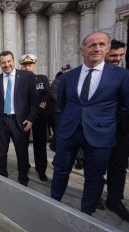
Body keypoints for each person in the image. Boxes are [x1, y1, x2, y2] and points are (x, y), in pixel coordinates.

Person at [51, 31, 129, 215]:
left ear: (107, 48)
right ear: (82, 50)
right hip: (69, 133)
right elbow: (62, 103)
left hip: (100, 135)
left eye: (101, 44)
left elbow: (124, 107)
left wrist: (104, 123)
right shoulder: (68, 77)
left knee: (94, 177)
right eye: (92, 45)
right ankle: (54, 203)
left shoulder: (121, 75)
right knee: (60, 170)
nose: (97, 48)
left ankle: (86, 214)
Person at [0, 51, 37, 186]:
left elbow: (34, 102)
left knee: (22, 153)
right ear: (0, 64)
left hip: (20, 122)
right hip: (2, 122)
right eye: (3, 62)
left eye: (9, 61)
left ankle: (23, 179)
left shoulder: (27, 76)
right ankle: (3, 175)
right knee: (1, 153)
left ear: (13, 60)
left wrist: (31, 119)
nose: (6, 64)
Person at [104, 39, 129, 221]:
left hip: (121, 130)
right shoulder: (92, 75)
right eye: (113, 55)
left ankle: (114, 199)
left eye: (121, 55)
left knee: (118, 167)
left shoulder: (125, 74)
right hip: (97, 129)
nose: (117, 59)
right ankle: (93, 195)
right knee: (94, 166)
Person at [19, 54, 50, 182]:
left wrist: (36, 112)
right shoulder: (18, 81)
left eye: (29, 65)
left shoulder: (42, 79)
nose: (27, 67)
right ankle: (25, 166)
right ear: (21, 66)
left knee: (40, 145)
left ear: (34, 65)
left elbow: (47, 96)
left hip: (39, 117)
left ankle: (41, 169)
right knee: (22, 145)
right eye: (24, 65)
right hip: (24, 118)